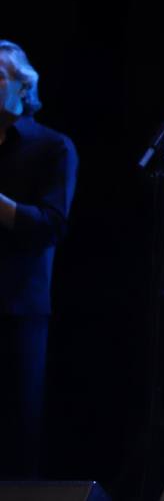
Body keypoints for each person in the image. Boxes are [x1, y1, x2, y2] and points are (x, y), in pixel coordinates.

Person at [0, 41, 77, 477]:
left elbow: (52, 224)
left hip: (18, 312)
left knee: (17, 439)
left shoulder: (53, 147)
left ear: (22, 86)